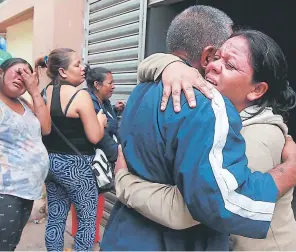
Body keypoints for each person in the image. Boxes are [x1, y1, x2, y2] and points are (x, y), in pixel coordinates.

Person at [101, 6, 296, 251]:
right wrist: (170, 64)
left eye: (230, 65)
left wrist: (124, 182)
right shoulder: (196, 103)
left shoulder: (259, 135)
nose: (213, 66)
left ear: (257, 90)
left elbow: (199, 207)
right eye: (216, 57)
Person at [40, 48, 107, 251]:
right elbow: (95, 136)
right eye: (77, 64)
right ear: (62, 71)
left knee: (56, 219)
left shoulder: (44, 92)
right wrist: (101, 121)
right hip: (77, 167)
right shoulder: (80, 96)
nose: (83, 68)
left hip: (52, 163)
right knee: (87, 222)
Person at [0, 58, 50, 251]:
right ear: (1, 72)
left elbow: (45, 128)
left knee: (10, 244)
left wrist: (35, 91)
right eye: (18, 72)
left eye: (27, 75)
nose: (22, 78)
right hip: (5, 190)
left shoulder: (24, 102)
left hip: (27, 190)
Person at [85, 66, 122, 162]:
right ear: (97, 85)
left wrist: (115, 109)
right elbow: (104, 140)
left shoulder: (105, 101)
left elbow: (108, 117)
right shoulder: (89, 104)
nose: (113, 86)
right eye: (110, 83)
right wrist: (119, 155)